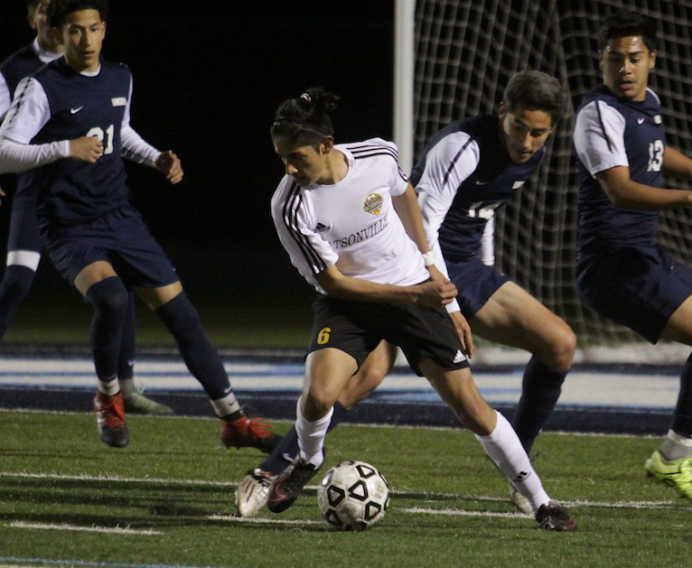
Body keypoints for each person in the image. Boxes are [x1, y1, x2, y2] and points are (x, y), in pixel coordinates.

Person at [235, 71, 574, 516]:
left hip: (417, 284)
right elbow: (335, 282)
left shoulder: (378, 156)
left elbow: (410, 200)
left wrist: (430, 278)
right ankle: (298, 461)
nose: (289, 169)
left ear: (325, 145)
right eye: (283, 159)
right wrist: (439, 297)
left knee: (470, 403)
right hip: (358, 300)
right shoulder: (291, 204)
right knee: (328, 393)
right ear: (502, 114)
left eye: (295, 157)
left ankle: (539, 500)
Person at [0, 0, 280, 452]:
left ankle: (233, 418)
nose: (86, 40)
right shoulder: (40, 87)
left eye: (93, 29)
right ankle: (110, 396)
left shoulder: (120, 77)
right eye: (75, 31)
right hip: (70, 224)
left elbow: (119, 130)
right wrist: (62, 149)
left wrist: (155, 158)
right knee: (111, 298)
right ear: (61, 34)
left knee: (182, 316)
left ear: (105, 31)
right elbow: (4, 152)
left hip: (120, 215)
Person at [572, 11, 692, 507]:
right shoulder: (597, 113)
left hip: (641, 255)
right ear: (602, 61)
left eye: (634, 58)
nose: (626, 69)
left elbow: (656, 153)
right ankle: (675, 457)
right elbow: (619, 189)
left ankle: (679, 452)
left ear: (652, 59)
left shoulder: (646, 105)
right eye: (616, 60)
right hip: (613, 265)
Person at [0, 0, 171, 415]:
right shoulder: (14, 70)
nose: (53, 21)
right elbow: (5, 139)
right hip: (35, 194)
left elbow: (118, 130)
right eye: (42, 9)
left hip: (85, 202)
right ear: (37, 18)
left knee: (119, 289)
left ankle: (124, 386)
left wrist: (154, 159)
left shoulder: (97, 68)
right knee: (17, 282)